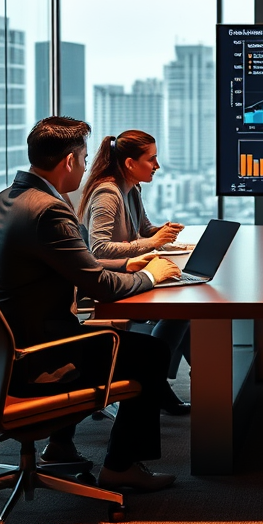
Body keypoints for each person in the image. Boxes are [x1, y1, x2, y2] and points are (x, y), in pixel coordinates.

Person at [0, 116, 183, 492]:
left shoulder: (7, 198)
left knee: (126, 345)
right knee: (151, 353)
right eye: (85, 158)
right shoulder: (49, 212)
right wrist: (152, 275)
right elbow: (99, 285)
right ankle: (120, 466)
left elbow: (77, 264)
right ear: (69, 162)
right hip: (39, 355)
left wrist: (128, 264)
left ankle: (59, 445)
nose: (88, 166)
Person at [78, 130, 191, 416]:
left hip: (129, 270)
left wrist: (164, 234)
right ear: (130, 163)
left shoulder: (132, 189)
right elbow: (99, 250)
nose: (157, 165)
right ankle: (155, 380)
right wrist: (152, 243)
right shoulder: (107, 193)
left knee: (186, 304)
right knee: (181, 309)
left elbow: (143, 231)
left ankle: (162, 382)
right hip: (107, 281)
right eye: (152, 159)